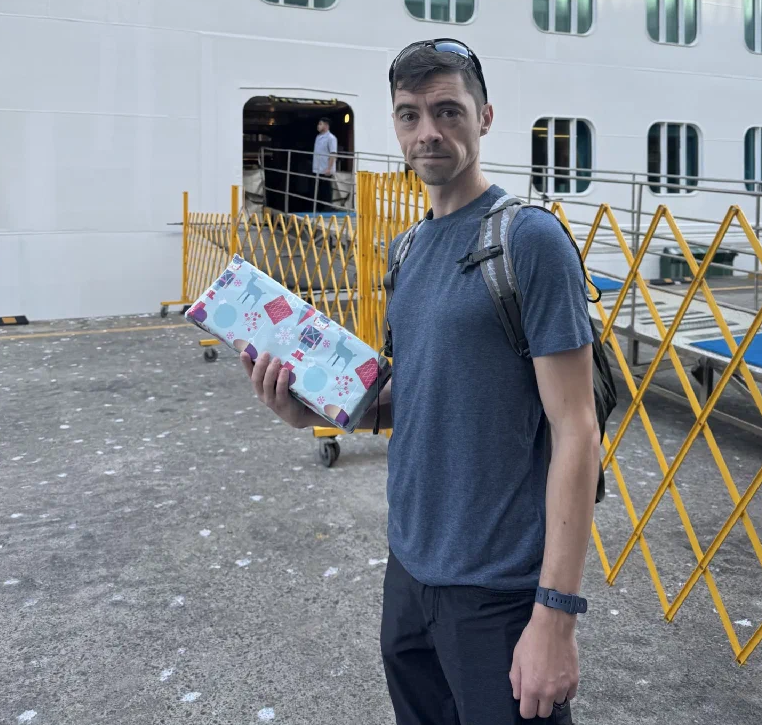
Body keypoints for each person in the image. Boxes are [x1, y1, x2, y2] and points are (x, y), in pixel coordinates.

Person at [241, 39, 600, 723]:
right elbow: (419, 398)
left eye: (446, 110)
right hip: (409, 574)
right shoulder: (408, 248)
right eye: (409, 115)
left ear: (485, 116)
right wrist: (313, 410)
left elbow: (576, 427)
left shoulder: (528, 241)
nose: (427, 131)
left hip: (497, 589)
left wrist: (555, 615)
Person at [311, 117, 338, 211]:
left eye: (320, 124)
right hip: (317, 168)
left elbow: (333, 153)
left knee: (326, 190)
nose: (318, 126)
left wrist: (329, 168)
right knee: (318, 190)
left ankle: (327, 209)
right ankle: (318, 208)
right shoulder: (318, 137)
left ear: (326, 125)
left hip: (325, 169)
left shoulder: (331, 138)